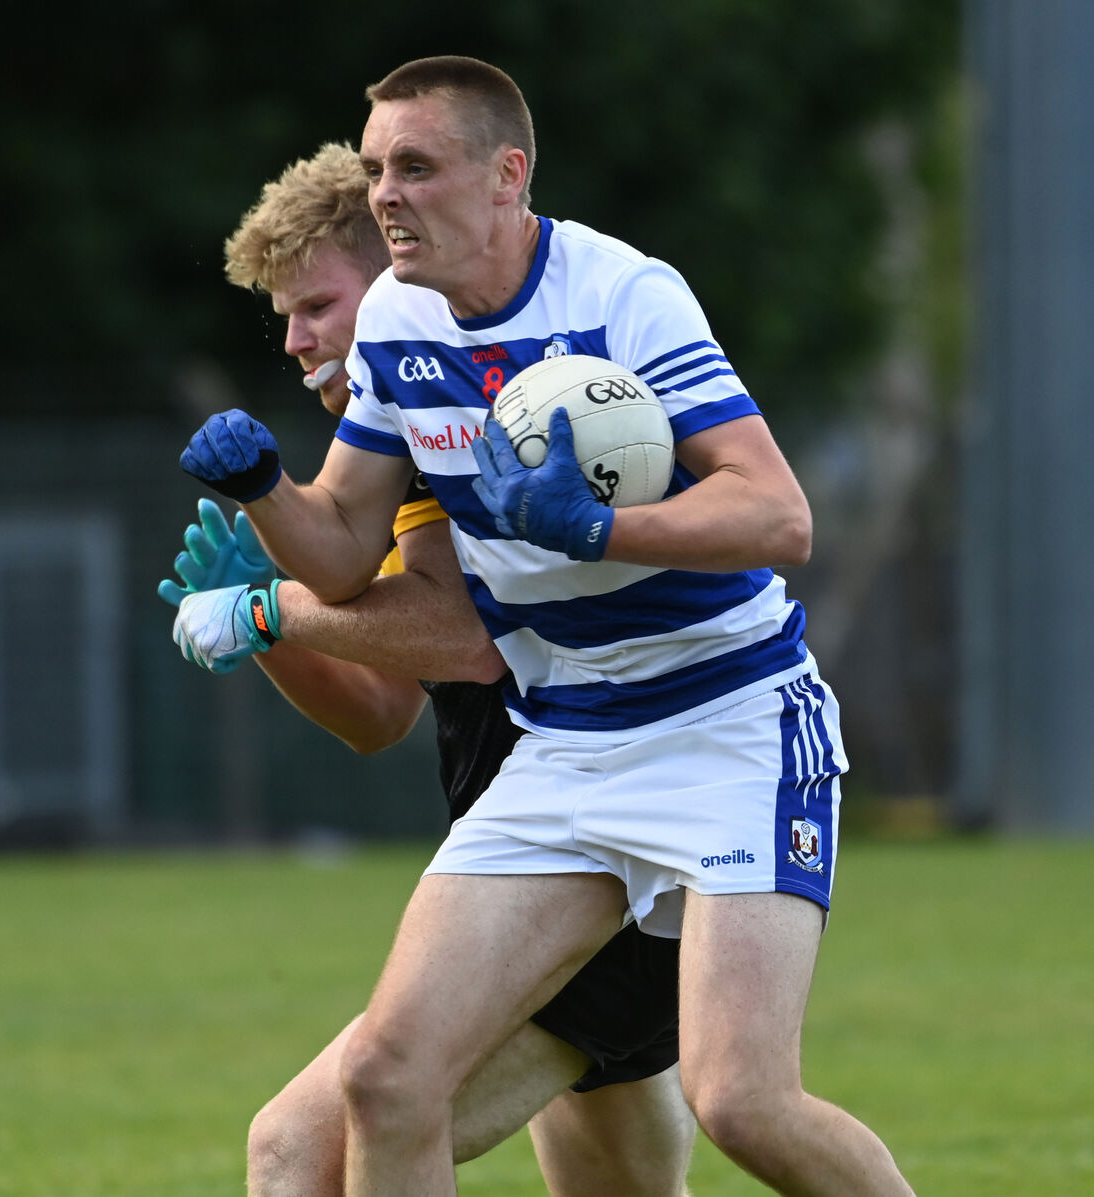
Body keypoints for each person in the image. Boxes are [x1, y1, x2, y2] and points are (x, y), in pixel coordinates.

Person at [178, 58, 916, 1196]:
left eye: (415, 167)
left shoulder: (623, 296)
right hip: (567, 738)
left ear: (505, 175)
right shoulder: (398, 318)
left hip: (728, 719)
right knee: (386, 1078)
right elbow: (339, 543)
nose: (385, 193)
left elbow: (778, 514)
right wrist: (268, 490)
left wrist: (602, 526)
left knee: (743, 1101)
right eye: (375, 168)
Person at [163, 142, 696, 1197]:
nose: (295, 340)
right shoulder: (395, 457)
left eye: (315, 305)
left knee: (295, 1148)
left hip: (595, 862)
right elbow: (379, 715)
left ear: (399, 286)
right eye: (283, 318)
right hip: (564, 866)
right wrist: (282, 636)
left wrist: (276, 606)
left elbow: (466, 637)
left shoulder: (477, 427)